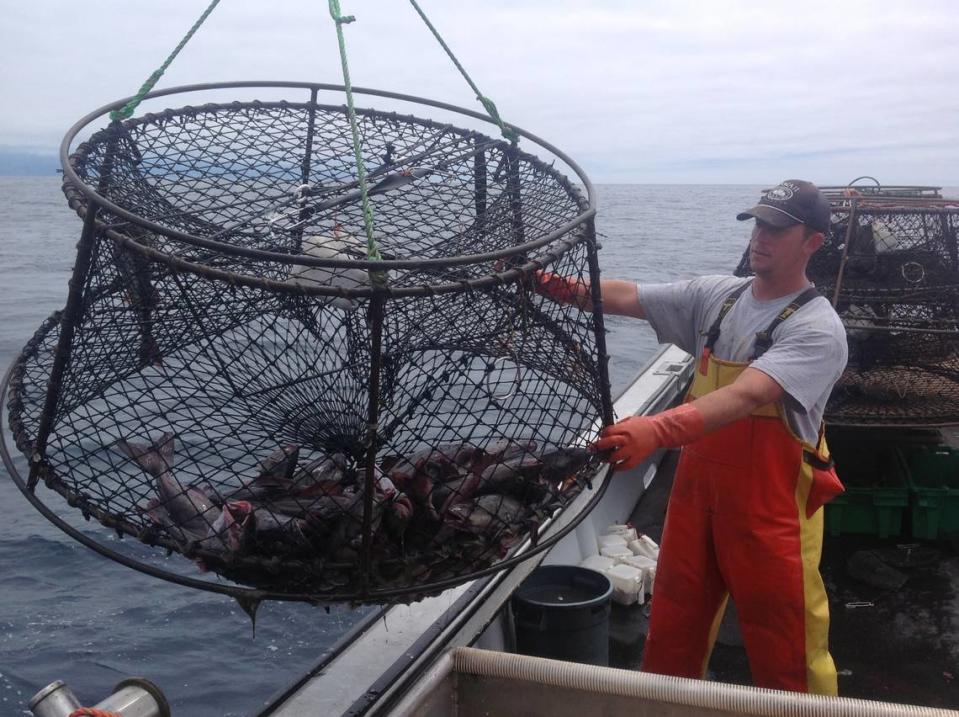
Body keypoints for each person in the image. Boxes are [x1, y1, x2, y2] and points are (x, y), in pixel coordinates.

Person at [535, 179, 848, 695]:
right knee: (674, 629)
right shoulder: (718, 297)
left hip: (771, 516)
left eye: (778, 228)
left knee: (789, 643)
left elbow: (748, 395)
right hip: (695, 499)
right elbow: (629, 296)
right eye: (758, 223)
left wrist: (656, 429)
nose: (761, 237)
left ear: (812, 241)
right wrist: (548, 285)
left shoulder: (817, 328)